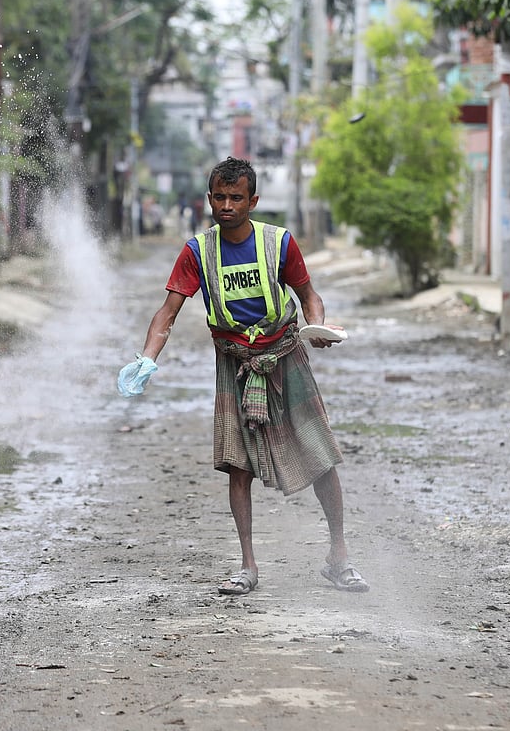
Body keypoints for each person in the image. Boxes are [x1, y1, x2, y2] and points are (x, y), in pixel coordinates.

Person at [118, 156, 369, 596]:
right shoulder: (198, 251)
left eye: (237, 197)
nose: (227, 205)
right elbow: (168, 311)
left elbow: (309, 296)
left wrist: (316, 328)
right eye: (220, 197)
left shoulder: (279, 244)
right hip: (234, 361)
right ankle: (248, 566)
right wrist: (147, 358)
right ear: (209, 199)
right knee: (238, 465)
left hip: (285, 356)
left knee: (320, 455)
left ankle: (339, 557)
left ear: (253, 200)